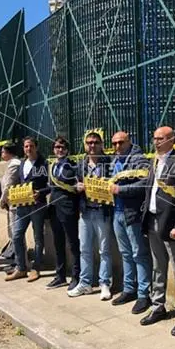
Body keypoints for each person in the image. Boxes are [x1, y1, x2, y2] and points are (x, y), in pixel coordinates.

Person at [140, 126, 175, 336]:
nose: (156, 142)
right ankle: (158, 306)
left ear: (172, 139)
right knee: (158, 267)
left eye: (161, 138)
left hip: (171, 225)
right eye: (154, 138)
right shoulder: (155, 160)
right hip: (153, 220)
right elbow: (150, 191)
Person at [109, 131, 152, 314]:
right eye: (115, 143)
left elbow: (145, 183)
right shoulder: (113, 160)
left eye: (121, 142)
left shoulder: (139, 159)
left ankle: (144, 295)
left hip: (132, 213)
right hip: (116, 212)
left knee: (139, 254)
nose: (118, 146)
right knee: (125, 253)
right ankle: (129, 289)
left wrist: (121, 189)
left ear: (129, 141)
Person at [67, 132, 113, 300]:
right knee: (84, 249)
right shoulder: (81, 164)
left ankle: (104, 283)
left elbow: (116, 182)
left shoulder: (110, 163)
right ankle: (85, 283)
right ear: (85, 145)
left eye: (95, 142)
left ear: (101, 144)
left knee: (104, 250)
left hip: (103, 212)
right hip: (85, 212)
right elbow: (71, 183)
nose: (92, 146)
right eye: (89, 143)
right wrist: (76, 186)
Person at [5, 137, 49, 282]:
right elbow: (19, 183)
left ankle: (36, 268)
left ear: (36, 147)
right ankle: (21, 267)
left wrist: (41, 193)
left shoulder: (44, 163)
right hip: (22, 206)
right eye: (25, 146)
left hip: (37, 205)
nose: (28, 149)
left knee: (38, 238)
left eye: (31, 146)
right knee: (17, 236)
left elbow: (51, 185)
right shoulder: (22, 163)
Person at [46, 136, 80, 290]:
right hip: (54, 208)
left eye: (62, 147)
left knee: (72, 243)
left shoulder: (73, 166)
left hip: (68, 208)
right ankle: (60, 275)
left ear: (67, 150)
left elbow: (76, 186)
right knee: (58, 242)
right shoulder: (52, 165)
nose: (59, 150)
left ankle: (76, 276)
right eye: (57, 147)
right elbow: (51, 187)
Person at [0, 142, 21, 261]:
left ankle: (19, 260)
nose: (1, 154)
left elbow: (9, 185)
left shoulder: (14, 164)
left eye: (2, 151)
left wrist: (2, 201)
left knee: (15, 233)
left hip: (14, 203)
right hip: (11, 203)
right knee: (12, 233)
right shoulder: (11, 163)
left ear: (8, 152)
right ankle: (17, 259)